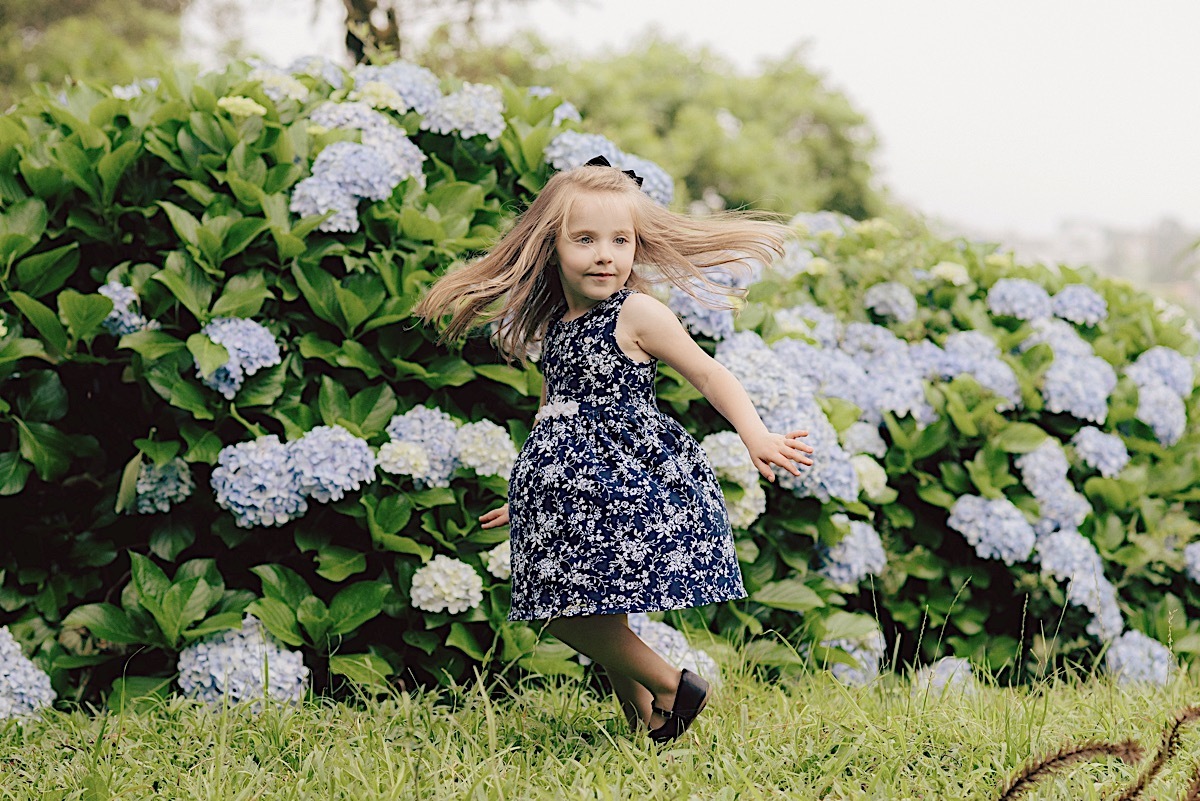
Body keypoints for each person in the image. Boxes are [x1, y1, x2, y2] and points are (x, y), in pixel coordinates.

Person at [412, 157, 814, 743]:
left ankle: (675, 687)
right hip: (569, 488)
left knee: (565, 615)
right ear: (550, 246)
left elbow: (708, 373)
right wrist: (526, 495)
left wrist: (755, 435)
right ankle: (646, 724)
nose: (605, 255)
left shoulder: (636, 312)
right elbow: (552, 414)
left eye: (619, 240)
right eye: (585, 239)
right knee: (602, 610)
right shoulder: (557, 326)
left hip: (623, 479)